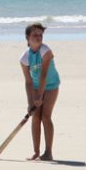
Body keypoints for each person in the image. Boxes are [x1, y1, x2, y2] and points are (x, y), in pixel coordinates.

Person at [20, 22, 60, 161]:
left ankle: (48, 152)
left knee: (45, 117)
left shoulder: (46, 51)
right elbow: (28, 81)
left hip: (51, 86)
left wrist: (39, 96)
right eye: (34, 35)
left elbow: (43, 75)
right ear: (27, 38)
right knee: (35, 117)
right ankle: (36, 152)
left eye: (40, 35)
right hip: (36, 87)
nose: (38, 37)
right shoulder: (24, 58)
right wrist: (31, 102)